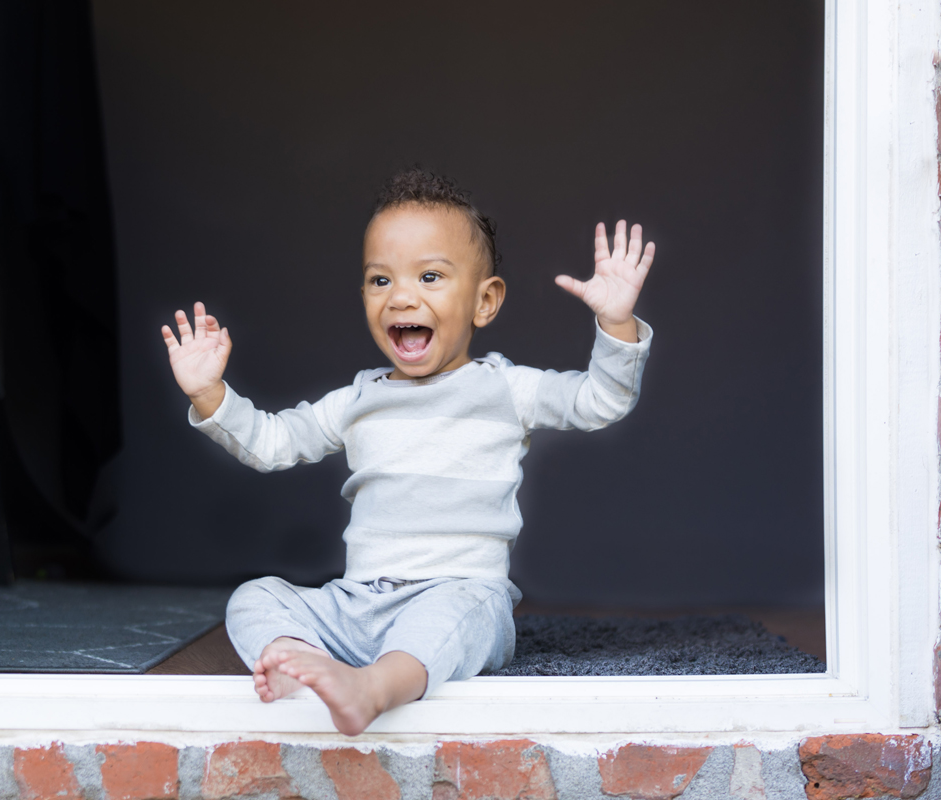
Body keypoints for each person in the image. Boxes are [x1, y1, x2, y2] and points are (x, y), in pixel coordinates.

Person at [159, 169, 656, 735]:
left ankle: (373, 688)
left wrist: (614, 323)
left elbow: (598, 401)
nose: (400, 296)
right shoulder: (358, 399)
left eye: (429, 276)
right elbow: (273, 443)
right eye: (379, 280)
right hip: (356, 604)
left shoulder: (505, 389)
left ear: (484, 302)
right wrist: (210, 393)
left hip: (459, 592)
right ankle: (309, 667)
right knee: (253, 598)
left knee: (458, 618)